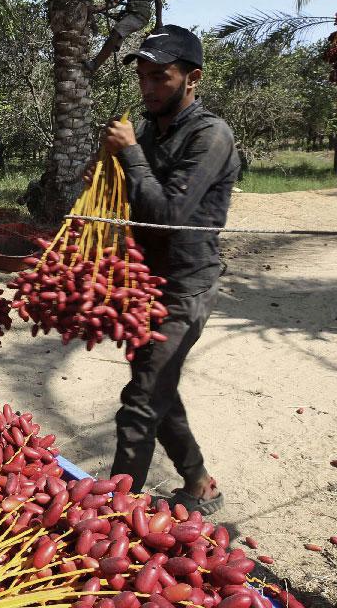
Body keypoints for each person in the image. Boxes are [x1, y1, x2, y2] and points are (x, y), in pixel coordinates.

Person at [98, 25, 239, 515]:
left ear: (192, 78)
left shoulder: (210, 136)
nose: (148, 88)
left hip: (185, 288)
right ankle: (200, 484)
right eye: (142, 77)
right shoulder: (149, 131)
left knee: (140, 404)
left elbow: (169, 217)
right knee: (157, 390)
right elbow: (129, 203)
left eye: (160, 77)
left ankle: (116, 513)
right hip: (146, 283)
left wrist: (132, 153)